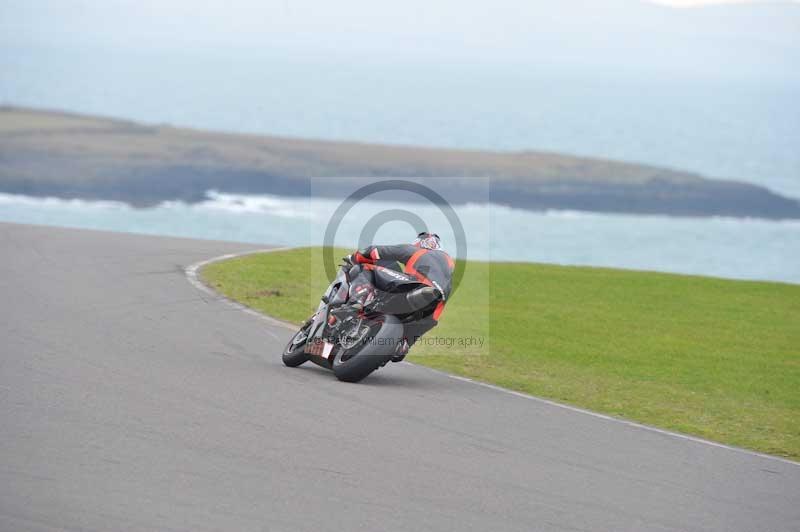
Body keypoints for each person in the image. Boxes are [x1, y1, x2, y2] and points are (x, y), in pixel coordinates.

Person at [343, 232, 454, 361]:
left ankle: (357, 301)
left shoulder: (417, 251)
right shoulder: (448, 270)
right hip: (433, 306)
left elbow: (375, 251)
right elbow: (432, 319)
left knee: (365, 268)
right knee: (411, 334)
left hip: (415, 285)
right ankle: (402, 345)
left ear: (420, 242)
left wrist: (355, 257)